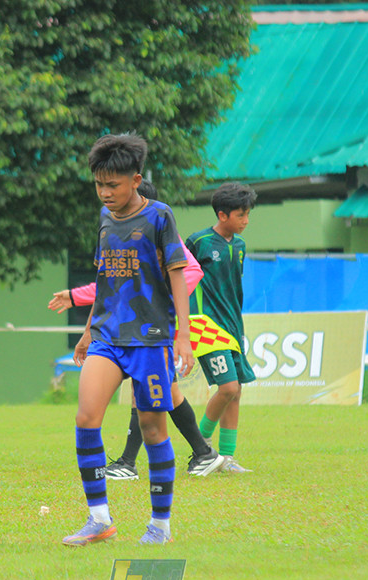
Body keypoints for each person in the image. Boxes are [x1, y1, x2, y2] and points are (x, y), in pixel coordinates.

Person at [62, 133, 194, 547]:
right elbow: (105, 279)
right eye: (99, 185)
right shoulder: (104, 219)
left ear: (135, 180)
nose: (105, 193)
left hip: (150, 339)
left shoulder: (159, 216)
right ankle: (99, 518)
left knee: (153, 428)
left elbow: (177, 273)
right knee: (86, 418)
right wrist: (87, 332)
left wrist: (182, 335)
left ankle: (160, 526)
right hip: (107, 336)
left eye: (112, 185)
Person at [48, 180, 224, 479]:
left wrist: (165, 307)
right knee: (160, 396)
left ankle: (134, 467)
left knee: (151, 402)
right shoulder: (111, 225)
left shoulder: (159, 224)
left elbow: (189, 272)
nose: (108, 196)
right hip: (116, 331)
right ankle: (201, 454)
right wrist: (85, 319)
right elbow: (112, 283)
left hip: (153, 332)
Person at [186, 182, 258, 473]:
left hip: (231, 325)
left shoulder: (239, 246)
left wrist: (239, 327)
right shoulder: (198, 242)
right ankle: (201, 448)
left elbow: (234, 289)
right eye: (241, 215)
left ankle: (226, 458)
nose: (246, 221)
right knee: (227, 387)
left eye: (248, 214)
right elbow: (180, 279)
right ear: (222, 214)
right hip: (205, 325)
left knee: (236, 390)